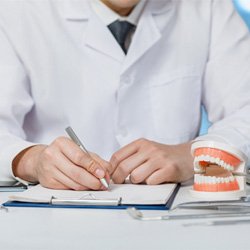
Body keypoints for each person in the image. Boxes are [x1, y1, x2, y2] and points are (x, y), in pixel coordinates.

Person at [0, 0, 249, 190]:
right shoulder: (16, 11)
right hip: (50, 217)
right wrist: (31, 160)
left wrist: (196, 154)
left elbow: (245, 109)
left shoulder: (207, 7)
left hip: (173, 219)